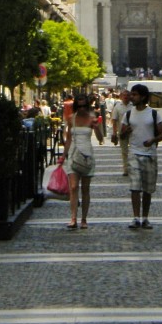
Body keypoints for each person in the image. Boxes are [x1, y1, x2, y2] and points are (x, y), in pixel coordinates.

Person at [121, 83, 162, 229]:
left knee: (147, 189)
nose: (131, 97)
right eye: (131, 94)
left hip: (149, 154)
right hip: (134, 153)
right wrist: (125, 132)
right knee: (134, 187)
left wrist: (153, 140)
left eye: (134, 95)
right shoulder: (128, 114)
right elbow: (121, 135)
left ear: (143, 97)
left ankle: (145, 217)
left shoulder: (153, 114)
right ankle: (135, 217)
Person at [62, 91, 103, 229]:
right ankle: (73, 217)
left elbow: (100, 139)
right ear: (75, 106)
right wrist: (63, 155)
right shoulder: (71, 119)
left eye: (84, 106)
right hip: (73, 154)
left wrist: (97, 128)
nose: (82, 109)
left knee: (85, 188)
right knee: (73, 187)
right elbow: (68, 139)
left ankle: (84, 219)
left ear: (87, 106)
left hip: (86, 155)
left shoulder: (92, 118)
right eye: (79, 106)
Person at [111, 89, 131, 176]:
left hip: (133, 132)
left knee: (133, 151)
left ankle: (133, 167)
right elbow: (114, 120)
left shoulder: (133, 106)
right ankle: (126, 169)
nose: (126, 97)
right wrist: (114, 133)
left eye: (127, 95)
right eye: (124, 95)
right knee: (124, 151)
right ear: (121, 97)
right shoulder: (117, 107)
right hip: (122, 132)